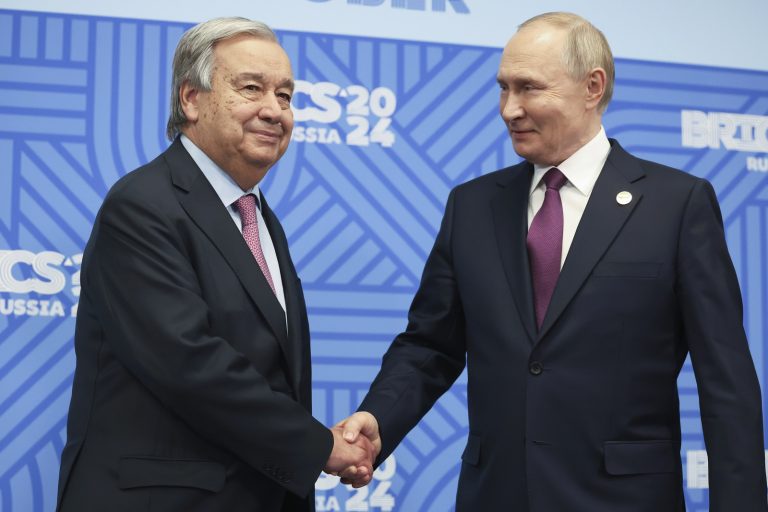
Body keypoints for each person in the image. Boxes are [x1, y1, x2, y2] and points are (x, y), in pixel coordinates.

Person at [338, 11, 768, 511]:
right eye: (503, 88)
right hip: (495, 496)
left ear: (592, 87)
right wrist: (379, 419)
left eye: (528, 88)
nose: (509, 109)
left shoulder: (678, 204)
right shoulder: (472, 206)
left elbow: (726, 381)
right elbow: (430, 345)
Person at [56, 17, 374, 512]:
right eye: (251, 89)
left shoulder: (258, 217)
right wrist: (320, 446)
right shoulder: (142, 206)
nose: (274, 111)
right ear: (191, 98)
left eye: (286, 96)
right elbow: (190, 362)